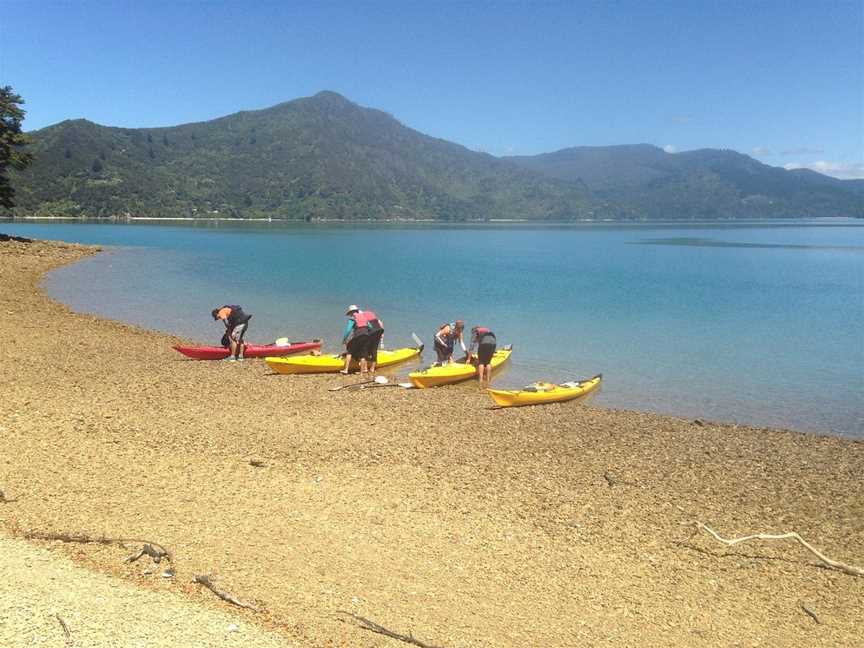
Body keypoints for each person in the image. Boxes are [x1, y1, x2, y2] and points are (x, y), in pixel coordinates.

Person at [341, 305, 370, 374]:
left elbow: (348, 330)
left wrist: (344, 340)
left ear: (351, 312)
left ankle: (346, 370)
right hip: (366, 336)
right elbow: (370, 327)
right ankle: (361, 372)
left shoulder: (352, 319)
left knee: (349, 351)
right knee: (362, 354)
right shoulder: (364, 317)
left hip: (358, 335)